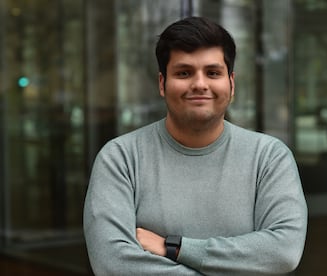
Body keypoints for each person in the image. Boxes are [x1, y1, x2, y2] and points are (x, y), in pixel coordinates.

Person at [83, 16, 307, 275]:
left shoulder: (269, 157)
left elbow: (283, 251)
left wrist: (175, 248)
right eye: (184, 73)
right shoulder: (120, 158)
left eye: (213, 73)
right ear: (162, 84)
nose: (200, 84)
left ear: (231, 84)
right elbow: (113, 262)